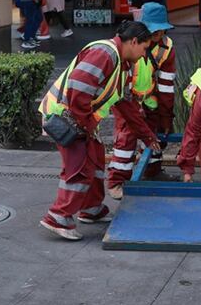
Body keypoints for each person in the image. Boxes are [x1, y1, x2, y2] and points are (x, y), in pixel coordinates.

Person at [37, 21, 159, 241]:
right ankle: (58, 217)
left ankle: (92, 209)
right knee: (80, 168)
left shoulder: (122, 65)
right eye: (144, 48)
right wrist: (84, 124)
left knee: (95, 160)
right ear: (133, 42)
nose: (144, 55)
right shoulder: (105, 53)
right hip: (66, 118)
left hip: (78, 120)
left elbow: (126, 106)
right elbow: (78, 89)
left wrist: (147, 136)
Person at [107, 2, 179, 198]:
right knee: (126, 138)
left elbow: (166, 85)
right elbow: (122, 83)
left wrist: (166, 116)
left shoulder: (166, 48)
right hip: (126, 98)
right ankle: (117, 181)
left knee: (155, 134)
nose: (158, 36)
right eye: (154, 32)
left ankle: (152, 172)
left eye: (161, 31)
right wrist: (132, 110)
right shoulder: (130, 44)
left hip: (150, 99)